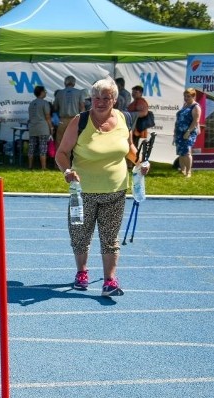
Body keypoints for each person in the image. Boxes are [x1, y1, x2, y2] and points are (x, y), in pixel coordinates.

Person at [54, 77, 149, 298]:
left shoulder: (125, 118)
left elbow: (130, 149)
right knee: (80, 235)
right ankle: (82, 273)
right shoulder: (80, 121)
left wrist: (140, 163)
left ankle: (109, 281)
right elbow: (61, 153)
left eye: (105, 98)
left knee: (110, 237)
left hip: (115, 190)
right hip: (82, 191)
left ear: (114, 99)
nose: (100, 102)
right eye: (96, 97)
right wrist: (67, 172)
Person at [52, 75, 86, 149]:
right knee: (76, 140)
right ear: (74, 83)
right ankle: (75, 159)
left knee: (59, 141)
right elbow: (82, 107)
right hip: (74, 120)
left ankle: (59, 160)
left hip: (62, 120)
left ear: (65, 83)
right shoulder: (79, 93)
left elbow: (55, 107)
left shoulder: (59, 93)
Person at [174, 88, 201, 178]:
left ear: (193, 96)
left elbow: (195, 121)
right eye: (185, 96)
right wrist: (175, 133)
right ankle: (182, 170)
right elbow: (179, 119)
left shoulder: (196, 106)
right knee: (181, 152)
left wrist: (188, 132)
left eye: (188, 96)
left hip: (189, 132)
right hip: (179, 132)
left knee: (187, 152)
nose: (186, 98)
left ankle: (188, 172)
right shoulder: (185, 105)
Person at [27, 85, 53, 170]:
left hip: (32, 128)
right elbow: (48, 117)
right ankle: (43, 167)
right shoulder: (44, 103)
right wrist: (51, 128)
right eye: (45, 91)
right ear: (41, 92)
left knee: (31, 148)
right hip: (43, 128)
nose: (46, 92)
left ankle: (30, 166)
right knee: (43, 147)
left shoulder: (31, 103)